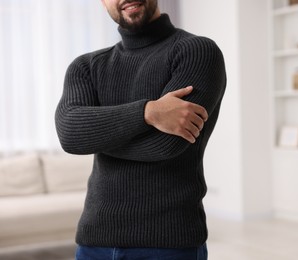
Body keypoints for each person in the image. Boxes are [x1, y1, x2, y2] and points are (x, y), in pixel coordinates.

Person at [55, 0, 226, 259]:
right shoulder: (86, 67)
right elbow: (70, 134)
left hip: (169, 243)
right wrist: (148, 113)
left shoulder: (197, 51)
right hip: (94, 242)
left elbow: (166, 144)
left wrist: (95, 133)